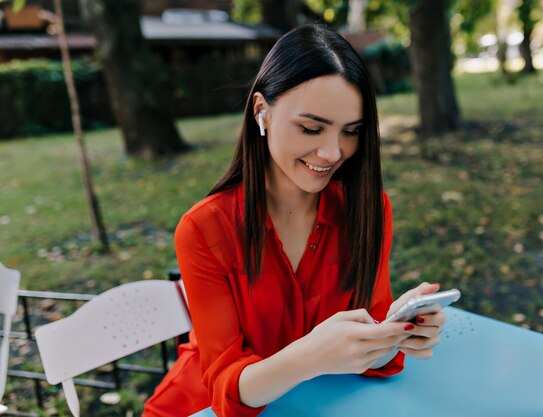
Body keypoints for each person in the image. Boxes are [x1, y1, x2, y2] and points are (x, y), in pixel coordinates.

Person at [143, 24, 446, 417]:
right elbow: (222, 389)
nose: (332, 152)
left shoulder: (368, 209)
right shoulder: (205, 229)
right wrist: (310, 358)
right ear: (261, 112)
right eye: (310, 128)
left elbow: (369, 351)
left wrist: (397, 333)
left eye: (351, 132)